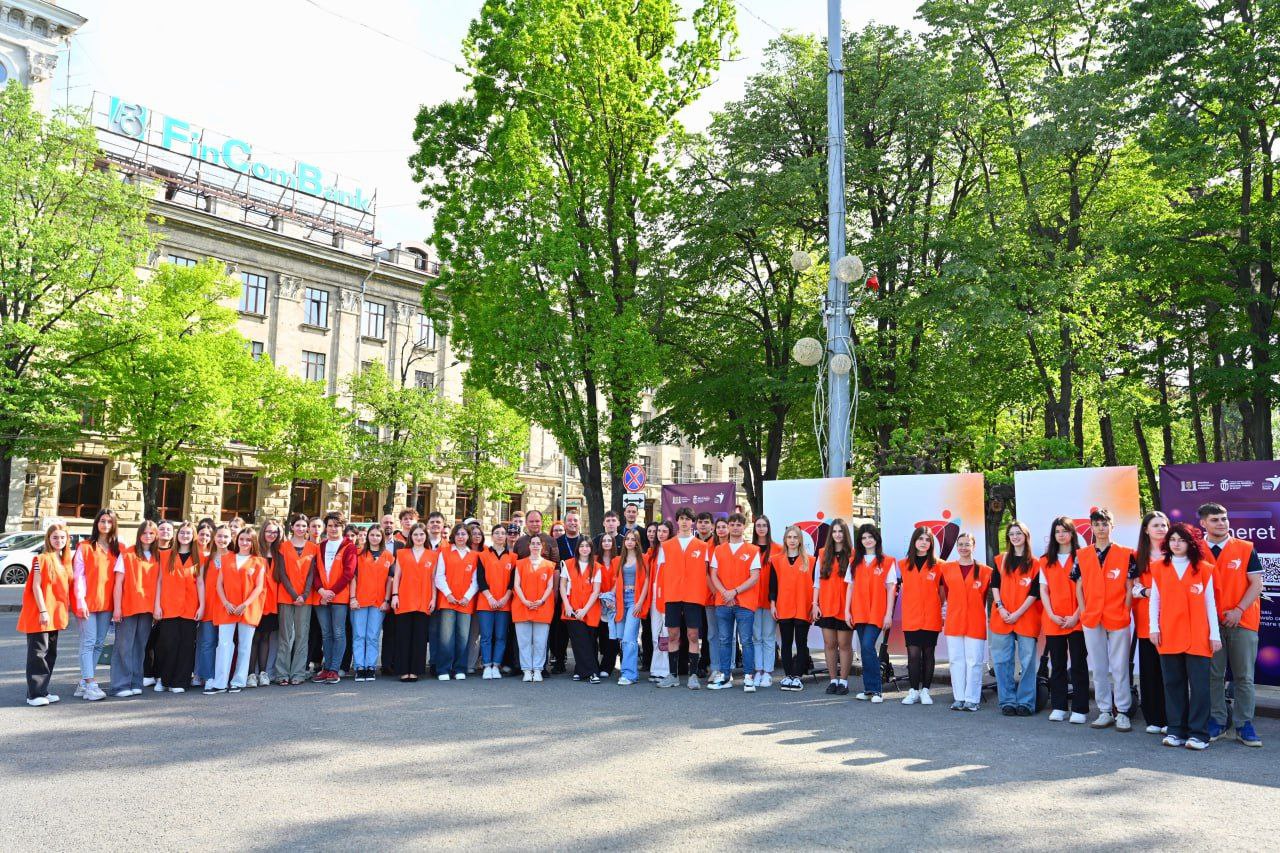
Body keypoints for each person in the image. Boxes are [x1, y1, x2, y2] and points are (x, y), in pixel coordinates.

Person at [1150, 522, 1220, 750]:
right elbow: (1155, 601)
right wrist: (1154, 627)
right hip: (1168, 633)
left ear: (1190, 543)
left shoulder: (1205, 568)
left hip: (1199, 634)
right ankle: (1176, 730)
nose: (1176, 544)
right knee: (1173, 683)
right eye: (1172, 540)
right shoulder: (1158, 567)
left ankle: (1199, 734)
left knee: (1199, 686)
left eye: (1181, 539)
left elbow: (1211, 603)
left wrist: (1215, 634)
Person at [1199, 502, 1264, 748]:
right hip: (1209, 625)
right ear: (1203, 523)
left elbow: (1256, 585)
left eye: (1224, 518)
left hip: (1243, 620)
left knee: (1244, 676)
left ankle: (1244, 724)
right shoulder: (1196, 550)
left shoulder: (1246, 548)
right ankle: (1218, 720)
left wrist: (1238, 610)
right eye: (1215, 519)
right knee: (1213, 675)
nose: (1222, 523)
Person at [1074, 507, 1135, 731]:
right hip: (1091, 617)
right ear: (1091, 527)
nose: (1101, 528)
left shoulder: (1126, 553)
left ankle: (1123, 712)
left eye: (1105, 523)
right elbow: (1078, 586)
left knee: (1119, 667)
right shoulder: (1082, 555)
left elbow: (1130, 587)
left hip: (1117, 616)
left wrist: (1125, 610)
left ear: (1112, 526)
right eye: (1097, 524)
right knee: (1099, 667)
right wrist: (1083, 611)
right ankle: (1104, 710)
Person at [656, 508, 714, 689]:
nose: (684, 522)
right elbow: (660, 575)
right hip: (672, 595)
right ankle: (672, 675)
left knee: (693, 635)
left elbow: (707, 574)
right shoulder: (666, 546)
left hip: (694, 596)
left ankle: (693, 675)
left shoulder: (702, 546)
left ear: (693, 522)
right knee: (673, 634)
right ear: (677, 521)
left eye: (688, 519)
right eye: (681, 519)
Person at [205, 526, 267, 695]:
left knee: (245, 646)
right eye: (241, 539)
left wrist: (245, 604)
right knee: (224, 644)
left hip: (247, 608)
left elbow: (259, 587)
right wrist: (225, 603)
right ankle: (220, 682)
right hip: (227, 607)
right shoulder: (227, 558)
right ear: (237, 540)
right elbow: (219, 584)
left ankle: (238, 681)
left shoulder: (259, 561)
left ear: (253, 542)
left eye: (248, 540)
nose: (244, 542)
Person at [989, 520, 1042, 716]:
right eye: (1011, 534)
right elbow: (994, 585)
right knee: (1002, 661)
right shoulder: (1001, 560)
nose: (1015, 537)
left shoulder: (1037, 564)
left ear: (1026, 536)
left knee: (1028, 662)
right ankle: (1007, 701)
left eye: (1018, 533)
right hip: (1002, 616)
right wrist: (1000, 607)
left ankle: (1026, 702)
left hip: (1026, 617)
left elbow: (1035, 592)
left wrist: (1018, 613)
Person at [1040, 516, 1089, 724]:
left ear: (1072, 534)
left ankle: (1080, 708)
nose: (1061, 535)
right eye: (1057, 531)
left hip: (1077, 619)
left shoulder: (1083, 557)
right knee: (1057, 665)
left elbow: (1087, 589)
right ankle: (1059, 706)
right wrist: (1051, 614)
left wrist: (1076, 614)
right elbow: (1043, 590)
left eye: (1065, 531)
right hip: (1054, 619)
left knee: (1078, 664)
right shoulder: (1045, 560)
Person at [19, 524, 73, 707]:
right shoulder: (40, 559)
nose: (59, 541)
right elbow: (36, 586)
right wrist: (43, 611)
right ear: (48, 539)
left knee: (50, 654)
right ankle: (33, 694)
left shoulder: (63, 560)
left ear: (67, 540)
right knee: (38, 654)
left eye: (62, 538)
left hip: (54, 615)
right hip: (41, 614)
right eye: (55, 537)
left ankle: (43, 690)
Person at [73, 508, 121, 702]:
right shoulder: (84, 547)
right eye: (102, 521)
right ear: (96, 523)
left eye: (109, 522)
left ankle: (84, 683)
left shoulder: (118, 549)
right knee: (89, 642)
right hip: (87, 603)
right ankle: (91, 683)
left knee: (99, 643)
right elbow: (78, 577)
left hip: (106, 604)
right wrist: (80, 600)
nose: (106, 525)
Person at [846, 523, 897, 702]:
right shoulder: (854, 562)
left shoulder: (887, 561)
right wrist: (847, 611)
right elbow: (850, 587)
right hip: (858, 611)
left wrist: (888, 614)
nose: (867, 540)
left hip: (877, 612)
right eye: (864, 537)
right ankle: (869, 689)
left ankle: (876, 690)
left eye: (870, 537)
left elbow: (891, 589)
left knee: (867, 646)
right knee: (865, 649)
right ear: (860, 541)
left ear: (876, 539)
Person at [709, 512, 759, 692]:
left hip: (744, 602)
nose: (736, 527)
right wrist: (724, 593)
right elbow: (713, 574)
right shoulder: (718, 550)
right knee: (724, 640)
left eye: (739, 524)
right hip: (723, 602)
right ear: (727, 527)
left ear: (744, 527)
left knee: (746, 640)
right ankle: (724, 676)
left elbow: (754, 577)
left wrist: (734, 592)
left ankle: (748, 676)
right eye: (733, 524)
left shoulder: (753, 550)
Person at [941, 532, 991, 712]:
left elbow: (986, 597)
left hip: (975, 621)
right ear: (956, 546)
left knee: (974, 661)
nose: (963, 548)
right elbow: (946, 594)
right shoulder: (946, 569)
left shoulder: (985, 571)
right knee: (956, 660)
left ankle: (972, 699)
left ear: (973, 546)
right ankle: (959, 697)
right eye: (960, 544)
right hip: (954, 620)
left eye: (967, 544)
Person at [109, 520, 160, 698]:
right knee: (124, 646)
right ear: (139, 534)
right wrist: (116, 608)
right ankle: (120, 685)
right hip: (128, 607)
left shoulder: (156, 557)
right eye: (145, 533)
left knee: (140, 646)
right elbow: (118, 584)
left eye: (151, 533)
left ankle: (135, 682)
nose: (148, 536)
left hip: (146, 609)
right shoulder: (127, 553)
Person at [152, 521, 202, 694]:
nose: (185, 536)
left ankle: (180, 681)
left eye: (188, 533)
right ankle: (164, 679)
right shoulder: (165, 556)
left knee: (186, 645)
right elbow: (159, 581)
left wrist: (202, 606)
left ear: (193, 536)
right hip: (169, 607)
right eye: (182, 533)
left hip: (189, 607)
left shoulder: (198, 557)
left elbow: (201, 583)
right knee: (167, 644)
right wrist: (157, 605)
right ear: (177, 535)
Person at [1131, 511, 1170, 733]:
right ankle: (1153, 718)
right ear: (1146, 529)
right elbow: (1132, 588)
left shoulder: (1176, 552)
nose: (1160, 529)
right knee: (1149, 669)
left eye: (1164, 525)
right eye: (1155, 525)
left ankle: (1170, 717)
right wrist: (1149, 592)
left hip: (1173, 620)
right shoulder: (1137, 556)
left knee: (1170, 671)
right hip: (1147, 620)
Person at [898, 527, 943, 706]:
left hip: (931, 616)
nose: (924, 542)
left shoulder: (940, 565)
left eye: (927, 539)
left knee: (929, 653)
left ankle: (926, 691)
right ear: (914, 541)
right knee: (913, 654)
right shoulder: (903, 564)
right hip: (911, 616)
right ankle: (913, 691)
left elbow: (942, 592)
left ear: (931, 543)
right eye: (920, 539)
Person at [312, 512, 357, 685]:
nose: (333, 529)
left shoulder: (349, 546)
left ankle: (334, 669)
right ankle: (326, 668)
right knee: (326, 634)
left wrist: (331, 592)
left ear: (342, 527)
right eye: (330, 525)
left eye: (336, 525)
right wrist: (322, 591)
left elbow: (348, 573)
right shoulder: (320, 546)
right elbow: (315, 572)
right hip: (322, 596)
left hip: (338, 597)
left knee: (338, 633)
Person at [274, 514, 318, 685]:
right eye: (297, 525)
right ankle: (282, 673)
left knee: (302, 636)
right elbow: (282, 574)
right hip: (286, 596)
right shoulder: (283, 547)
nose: (301, 528)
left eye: (303, 525)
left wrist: (304, 594)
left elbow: (311, 574)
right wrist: (294, 595)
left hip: (305, 598)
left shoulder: (313, 548)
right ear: (291, 527)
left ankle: (298, 673)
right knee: (285, 636)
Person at [433, 523, 479, 680]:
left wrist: (467, 596)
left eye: (464, 534)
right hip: (448, 601)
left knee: (463, 637)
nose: (461, 537)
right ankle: (444, 669)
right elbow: (439, 576)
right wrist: (448, 594)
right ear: (454, 535)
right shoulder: (444, 552)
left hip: (465, 602)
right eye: (458, 534)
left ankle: (460, 668)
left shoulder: (473, 555)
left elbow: (476, 580)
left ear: (468, 537)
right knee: (446, 637)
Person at [391, 522, 435, 681]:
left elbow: (433, 580)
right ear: (411, 536)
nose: (418, 537)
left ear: (426, 536)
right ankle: (403, 670)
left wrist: (433, 599)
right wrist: (395, 595)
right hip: (404, 599)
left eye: (421, 534)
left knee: (420, 637)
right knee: (403, 636)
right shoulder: (402, 553)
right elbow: (397, 577)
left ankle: (415, 670)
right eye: (415, 534)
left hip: (424, 600)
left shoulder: (432, 555)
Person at [351, 524, 393, 682]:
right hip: (360, 600)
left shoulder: (388, 556)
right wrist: (353, 598)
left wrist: (387, 600)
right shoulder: (358, 554)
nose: (375, 538)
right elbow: (353, 578)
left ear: (382, 538)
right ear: (367, 536)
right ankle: (359, 666)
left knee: (373, 636)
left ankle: (370, 666)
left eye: (378, 535)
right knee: (359, 635)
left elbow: (390, 580)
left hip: (378, 602)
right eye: (372, 535)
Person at [772, 526, 812, 691]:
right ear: (785, 540)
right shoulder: (776, 560)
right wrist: (773, 604)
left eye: (796, 537)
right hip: (784, 606)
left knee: (801, 643)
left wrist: (815, 605)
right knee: (786, 644)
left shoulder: (811, 560)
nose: (793, 540)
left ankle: (797, 676)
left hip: (803, 607)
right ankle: (788, 675)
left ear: (800, 540)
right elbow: (772, 586)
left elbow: (816, 586)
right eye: (789, 537)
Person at [513, 534, 557, 682]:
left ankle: (537, 669)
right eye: (533, 543)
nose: (536, 545)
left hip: (542, 606)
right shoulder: (520, 564)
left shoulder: (549, 565)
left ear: (542, 547)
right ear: (529, 546)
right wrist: (524, 600)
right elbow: (516, 585)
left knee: (540, 641)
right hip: (522, 605)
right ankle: (526, 669)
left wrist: (541, 600)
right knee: (524, 641)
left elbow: (550, 585)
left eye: (538, 543)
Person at [476, 524, 516, 679]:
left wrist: (505, 598)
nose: (500, 535)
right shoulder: (483, 555)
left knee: (500, 636)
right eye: (497, 533)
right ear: (492, 536)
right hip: (486, 602)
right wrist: (490, 598)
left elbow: (512, 582)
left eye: (503, 533)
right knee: (486, 636)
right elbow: (480, 579)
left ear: (506, 536)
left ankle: (496, 665)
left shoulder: (513, 557)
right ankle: (487, 665)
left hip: (504, 603)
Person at [561, 538, 603, 683]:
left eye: (587, 546)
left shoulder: (597, 567)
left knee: (589, 641)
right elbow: (562, 586)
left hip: (590, 609)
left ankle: (580, 670)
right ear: (578, 548)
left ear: (591, 549)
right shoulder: (568, 564)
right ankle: (592, 673)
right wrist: (566, 605)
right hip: (571, 608)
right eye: (582, 546)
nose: (584, 548)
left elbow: (596, 591)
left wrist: (585, 610)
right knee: (580, 641)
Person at [249, 519, 283, 688]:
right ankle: (250, 674)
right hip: (255, 601)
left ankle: (263, 673)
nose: (271, 535)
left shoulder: (279, 553)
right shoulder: (255, 552)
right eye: (269, 531)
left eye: (275, 532)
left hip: (272, 602)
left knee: (266, 637)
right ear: (262, 532)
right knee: (253, 638)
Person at [612, 529, 649, 686]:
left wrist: (640, 602)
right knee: (622, 638)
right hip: (621, 600)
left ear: (637, 542)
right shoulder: (619, 560)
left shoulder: (644, 558)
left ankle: (629, 674)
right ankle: (627, 670)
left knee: (629, 638)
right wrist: (609, 597)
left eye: (633, 539)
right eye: (627, 539)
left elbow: (647, 581)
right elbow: (616, 581)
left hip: (635, 600)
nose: (629, 542)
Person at [750, 515, 781, 689]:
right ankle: (758, 670)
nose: (761, 528)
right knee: (756, 637)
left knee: (768, 636)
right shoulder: (749, 549)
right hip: (752, 600)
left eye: (764, 525)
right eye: (758, 525)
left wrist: (774, 600)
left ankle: (768, 672)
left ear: (768, 528)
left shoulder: (777, 549)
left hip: (770, 601)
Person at [554, 509, 585, 675]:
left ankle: (582, 663)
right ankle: (559, 660)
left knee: (580, 629)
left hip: (582, 592)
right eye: (570, 520)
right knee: (560, 629)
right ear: (565, 523)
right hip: (563, 590)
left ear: (580, 522)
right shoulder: (557, 542)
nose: (573, 523)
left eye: (576, 520)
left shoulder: (585, 541)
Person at [646, 521, 673, 684]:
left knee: (666, 634)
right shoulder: (653, 551)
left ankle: (666, 669)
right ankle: (656, 668)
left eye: (664, 531)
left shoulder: (673, 550)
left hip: (668, 596)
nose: (661, 534)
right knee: (655, 633)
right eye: (659, 531)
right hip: (654, 595)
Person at [194, 524, 218, 688]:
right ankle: (200, 674)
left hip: (221, 606)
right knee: (205, 642)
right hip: (204, 604)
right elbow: (200, 582)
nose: (204, 538)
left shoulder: (222, 556)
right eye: (201, 534)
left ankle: (210, 674)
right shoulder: (201, 557)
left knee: (214, 642)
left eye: (208, 535)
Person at [595, 532, 620, 678]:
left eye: (609, 540)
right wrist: (601, 597)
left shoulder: (618, 560)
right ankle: (598, 663)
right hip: (597, 601)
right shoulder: (595, 560)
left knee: (612, 635)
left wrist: (610, 596)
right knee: (601, 634)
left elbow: (619, 580)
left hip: (613, 602)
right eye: (604, 540)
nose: (606, 543)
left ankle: (607, 666)